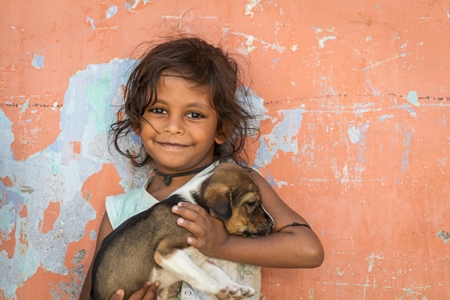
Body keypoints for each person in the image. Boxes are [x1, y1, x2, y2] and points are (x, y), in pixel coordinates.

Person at [79, 36, 324, 300]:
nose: (173, 127)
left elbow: (308, 249)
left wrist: (224, 245)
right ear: (138, 121)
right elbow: (91, 294)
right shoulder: (121, 211)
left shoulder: (237, 184)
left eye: (194, 114)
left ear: (222, 128)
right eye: (159, 110)